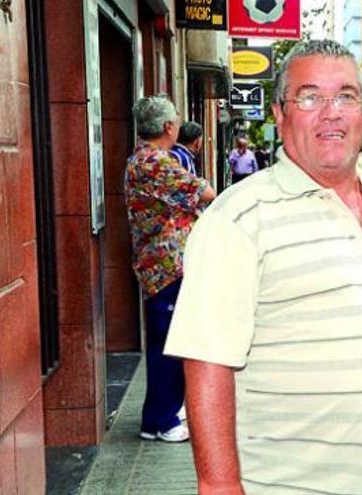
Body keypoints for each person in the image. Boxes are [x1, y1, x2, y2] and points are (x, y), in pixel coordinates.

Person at [164, 40, 362, 494]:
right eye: (310, 97)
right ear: (279, 113)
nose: (331, 112)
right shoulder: (237, 219)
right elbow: (207, 362)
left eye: (346, 97)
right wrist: (219, 486)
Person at [124, 95, 216, 443]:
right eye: (176, 119)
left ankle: (159, 416)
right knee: (169, 342)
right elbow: (205, 192)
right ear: (167, 127)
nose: (178, 123)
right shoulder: (155, 162)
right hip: (166, 268)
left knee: (167, 341)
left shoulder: (143, 158)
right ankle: (162, 420)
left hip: (159, 266)